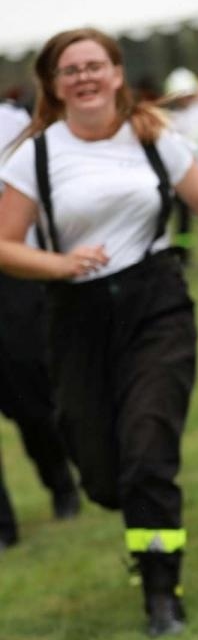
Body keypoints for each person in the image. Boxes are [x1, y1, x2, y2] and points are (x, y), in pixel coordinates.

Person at [0, 26, 198, 637]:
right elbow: (4, 244)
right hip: (75, 317)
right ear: (55, 85)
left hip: (156, 306)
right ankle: (119, 499)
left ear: (116, 74)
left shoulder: (152, 136)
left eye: (95, 65)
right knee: (105, 476)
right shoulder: (37, 154)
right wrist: (59, 264)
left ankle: (162, 591)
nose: (84, 77)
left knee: (148, 452)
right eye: (70, 70)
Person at [0, 96, 80, 550]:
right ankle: (3, 526)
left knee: (29, 394)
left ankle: (60, 482)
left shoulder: (10, 122)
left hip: (11, 276)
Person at [163, 67, 198, 265]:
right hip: (180, 175)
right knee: (183, 218)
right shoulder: (171, 116)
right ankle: (183, 255)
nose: (183, 100)